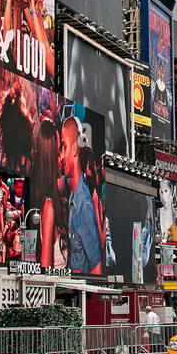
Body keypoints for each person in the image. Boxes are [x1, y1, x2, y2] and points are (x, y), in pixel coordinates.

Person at [61, 116, 104, 275]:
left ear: (74, 150)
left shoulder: (84, 205)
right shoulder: (73, 194)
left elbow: (97, 268)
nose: (61, 156)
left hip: (81, 293)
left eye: (63, 147)